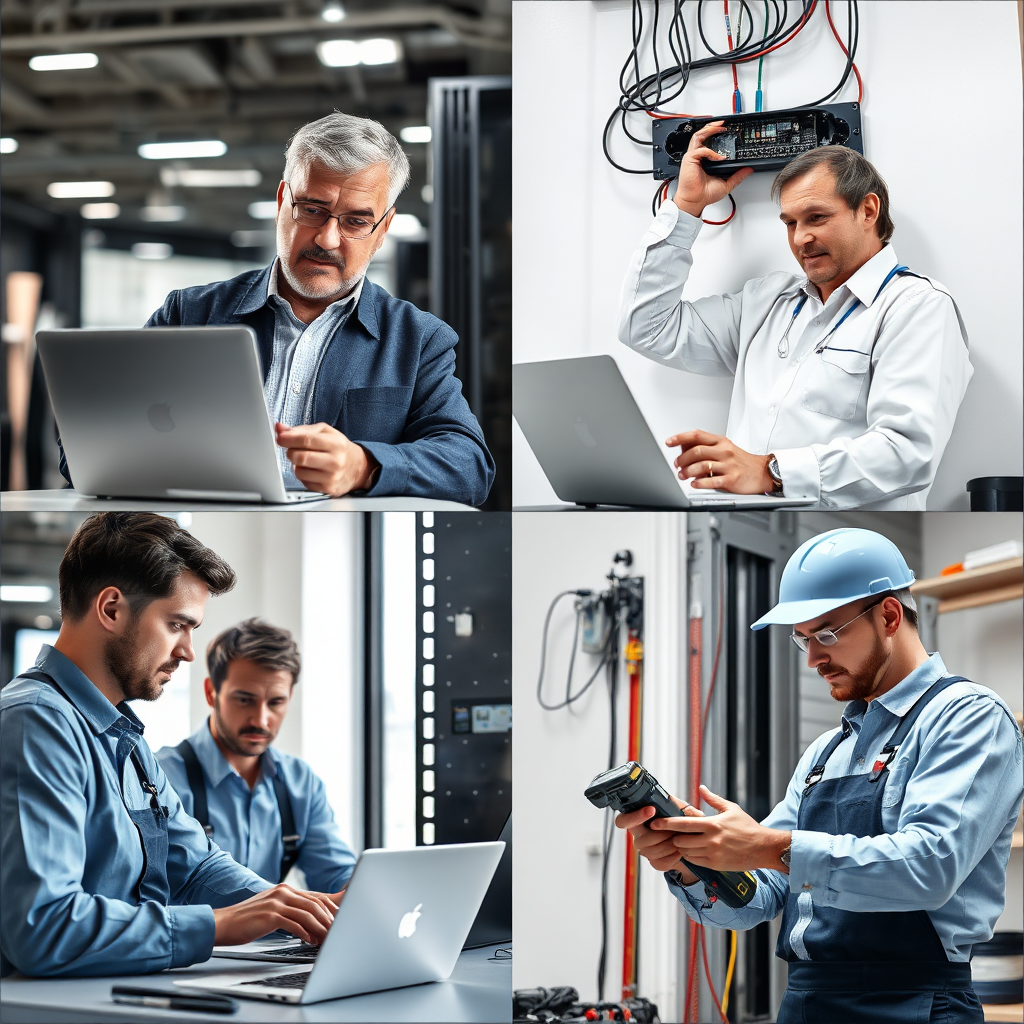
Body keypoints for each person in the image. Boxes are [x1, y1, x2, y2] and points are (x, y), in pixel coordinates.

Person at [616, 528, 1022, 1023]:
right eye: (802, 640)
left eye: (827, 633)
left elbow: (929, 867)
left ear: (890, 616)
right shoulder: (825, 753)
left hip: (915, 1003)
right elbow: (756, 899)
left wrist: (767, 845)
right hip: (807, 1003)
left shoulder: (967, 717)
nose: (814, 659)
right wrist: (693, 861)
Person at [57, 112, 494, 506]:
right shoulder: (190, 313)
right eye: (312, 209)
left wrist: (363, 466)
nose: (327, 239)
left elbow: (470, 466)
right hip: (188, 548)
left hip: (340, 557)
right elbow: (82, 448)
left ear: (383, 231)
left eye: (356, 221)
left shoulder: (418, 340)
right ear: (283, 199)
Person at [0, 513, 343, 977]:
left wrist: (298, 909)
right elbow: (43, 926)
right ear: (112, 609)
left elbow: (197, 866)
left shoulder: (123, 737)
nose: (187, 651)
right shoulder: (36, 723)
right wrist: (216, 925)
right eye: (178, 624)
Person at [618, 129, 972, 510]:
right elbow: (646, 327)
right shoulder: (766, 302)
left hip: (850, 542)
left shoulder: (916, 307)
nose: (801, 238)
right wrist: (686, 206)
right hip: (750, 532)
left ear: (868, 211)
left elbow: (907, 453)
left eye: (816, 217)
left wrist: (771, 471)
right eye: (790, 223)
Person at [157, 618, 356, 892]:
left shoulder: (301, 783)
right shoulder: (161, 778)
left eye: (276, 702)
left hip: (274, 935)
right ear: (211, 693)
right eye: (244, 699)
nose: (261, 720)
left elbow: (335, 874)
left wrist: (361, 894)